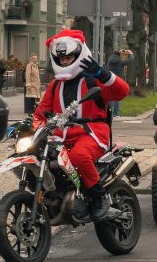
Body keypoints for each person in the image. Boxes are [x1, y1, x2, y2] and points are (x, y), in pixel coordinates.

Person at [33, 30, 129, 220]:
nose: (64, 62)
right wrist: (33, 126)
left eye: (68, 58)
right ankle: (53, 197)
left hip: (92, 132)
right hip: (61, 135)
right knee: (37, 156)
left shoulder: (93, 79)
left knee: (78, 156)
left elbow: (122, 92)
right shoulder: (55, 85)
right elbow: (41, 113)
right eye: (62, 59)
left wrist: (104, 74)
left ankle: (99, 196)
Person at [106, 49, 134, 118]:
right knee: (117, 97)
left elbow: (115, 54)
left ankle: (108, 112)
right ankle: (116, 114)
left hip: (110, 80)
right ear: (119, 55)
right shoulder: (120, 61)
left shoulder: (110, 60)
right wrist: (131, 53)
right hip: (118, 81)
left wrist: (119, 52)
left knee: (109, 97)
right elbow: (130, 60)